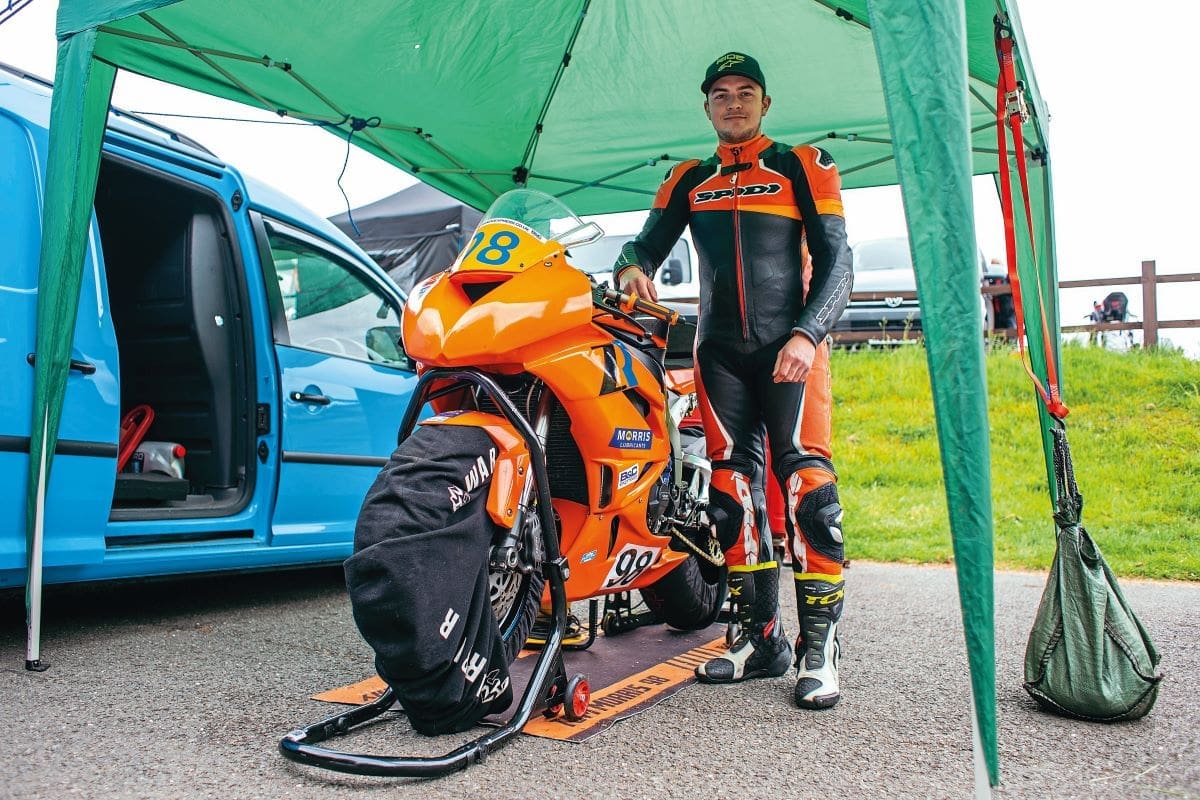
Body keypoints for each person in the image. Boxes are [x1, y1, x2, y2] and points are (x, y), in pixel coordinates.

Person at [612, 52, 852, 709]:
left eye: (747, 92)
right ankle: (757, 639)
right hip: (719, 354)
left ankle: (820, 650)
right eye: (721, 94)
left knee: (808, 493)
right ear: (708, 107)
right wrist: (631, 269)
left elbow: (839, 261)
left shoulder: (803, 165)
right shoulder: (689, 178)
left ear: (766, 104)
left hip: (791, 348)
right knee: (730, 494)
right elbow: (641, 247)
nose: (735, 103)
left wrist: (807, 334)